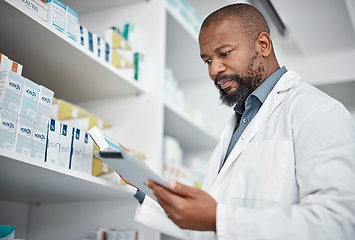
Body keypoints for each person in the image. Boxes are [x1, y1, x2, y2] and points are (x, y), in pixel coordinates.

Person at [132, 3, 355, 240]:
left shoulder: (317, 110)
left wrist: (219, 218)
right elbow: (204, 225)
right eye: (207, 60)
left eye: (224, 53)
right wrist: (140, 182)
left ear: (263, 45)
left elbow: (336, 222)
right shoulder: (239, 122)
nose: (213, 70)